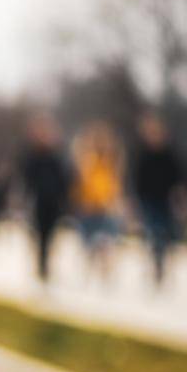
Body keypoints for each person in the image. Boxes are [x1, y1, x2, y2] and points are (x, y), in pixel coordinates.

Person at [129, 112, 187, 289]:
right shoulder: (142, 154)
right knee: (153, 232)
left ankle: (161, 263)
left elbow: (178, 179)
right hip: (148, 200)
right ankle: (155, 263)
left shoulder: (169, 154)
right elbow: (136, 180)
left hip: (165, 200)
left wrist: (181, 198)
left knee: (164, 234)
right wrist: (134, 203)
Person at [17, 113, 70, 286]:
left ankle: (46, 265)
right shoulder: (31, 155)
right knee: (39, 235)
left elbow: (64, 178)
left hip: (54, 202)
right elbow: (25, 177)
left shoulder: (57, 156)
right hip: (38, 201)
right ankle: (41, 266)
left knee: (50, 236)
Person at [71, 120, 124, 285]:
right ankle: (89, 271)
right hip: (88, 208)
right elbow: (80, 184)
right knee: (88, 244)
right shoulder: (86, 161)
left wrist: (114, 203)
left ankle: (104, 273)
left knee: (105, 243)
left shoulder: (112, 163)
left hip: (105, 208)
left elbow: (114, 186)